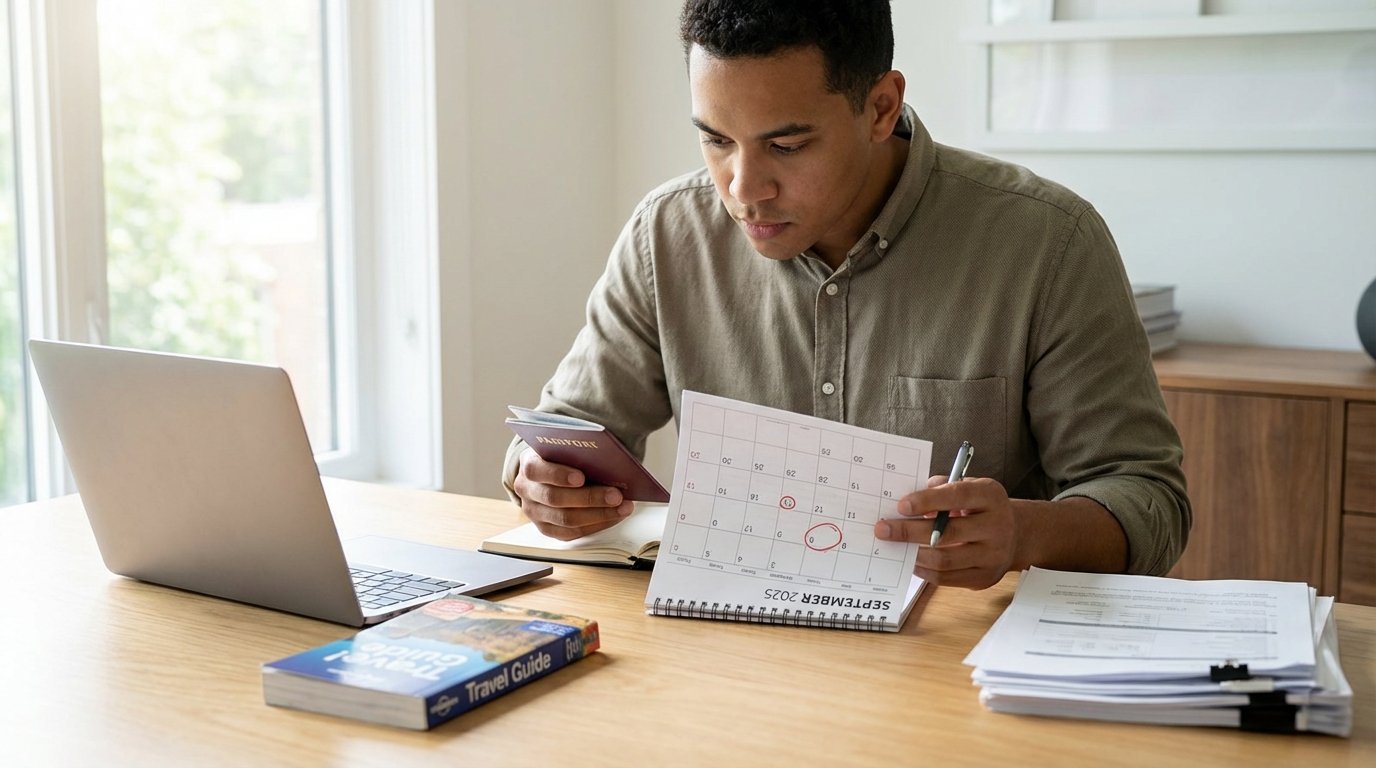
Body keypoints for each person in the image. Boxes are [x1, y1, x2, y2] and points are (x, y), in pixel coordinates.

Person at [502, 0, 1190, 590]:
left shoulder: (1048, 243)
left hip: (955, 675)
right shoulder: (667, 235)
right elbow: (565, 432)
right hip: (726, 657)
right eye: (715, 140)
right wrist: (541, 481)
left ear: (880, 107)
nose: (743, 189)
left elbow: (1147, 500)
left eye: (788, 146)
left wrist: (1024, 533)